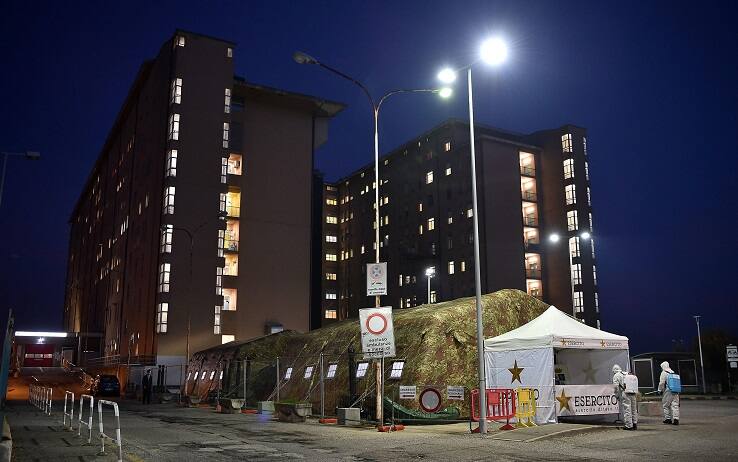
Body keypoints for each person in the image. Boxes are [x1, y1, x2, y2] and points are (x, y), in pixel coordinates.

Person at [612, 364, 637, 430]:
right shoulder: (626, 373)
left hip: (625, 393)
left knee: (627, 409)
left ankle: (629, 425)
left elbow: (616, 387)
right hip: (633, 392)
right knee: (633, 408)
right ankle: (634, 423)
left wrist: (616, 395)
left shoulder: (616, 375)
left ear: (614, 370)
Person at [658, 361, 680, 425]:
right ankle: (676, 419)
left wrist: (660, 390)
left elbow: (662, 383)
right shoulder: (672, 372)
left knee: (666, 405)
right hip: (675, 390)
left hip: (668, 390)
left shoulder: (664, 373)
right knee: (675, 405)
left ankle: (668, 419)